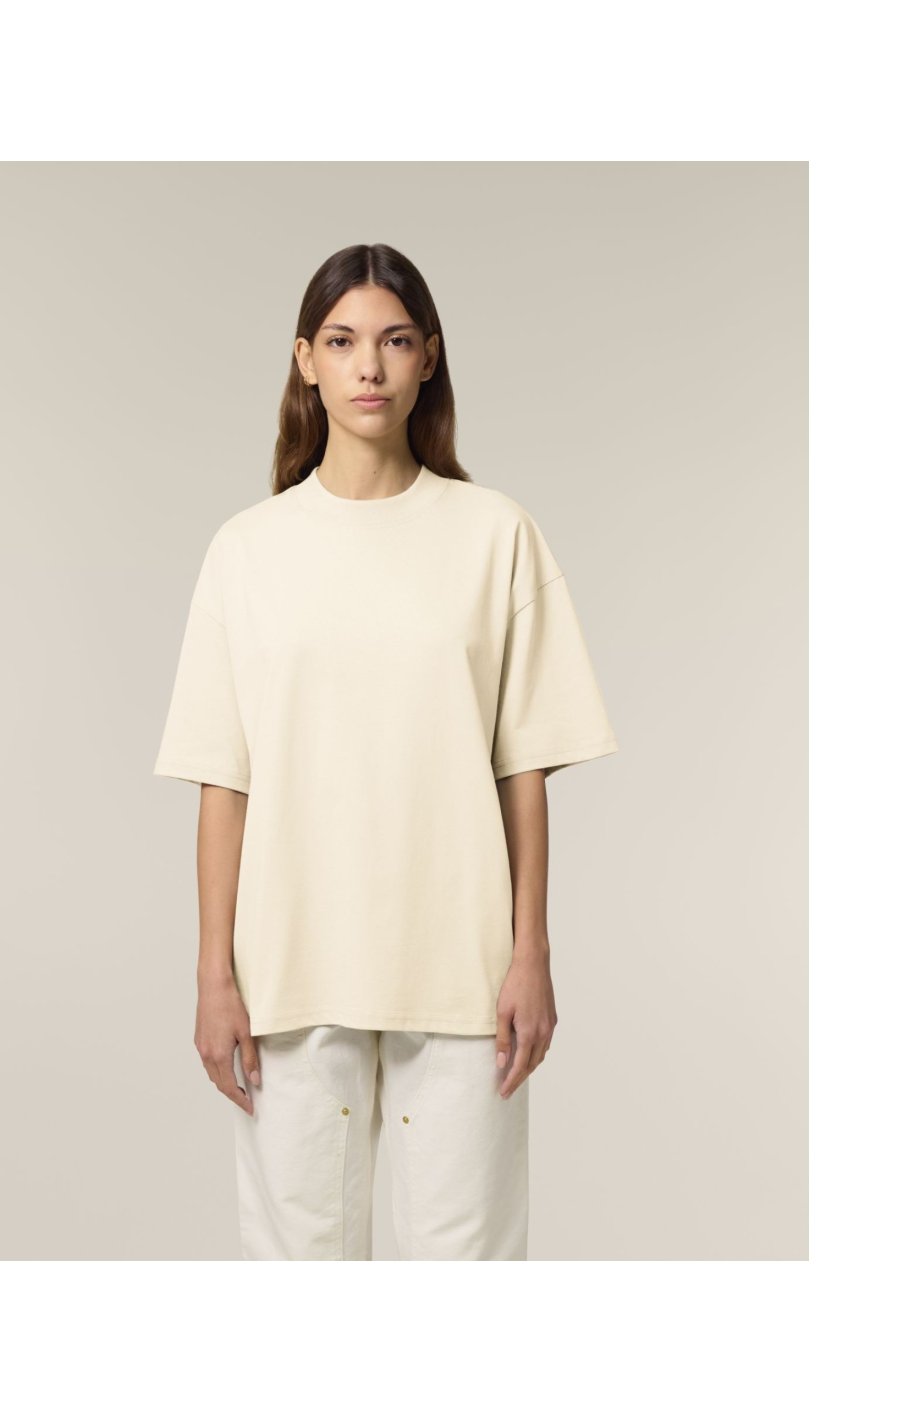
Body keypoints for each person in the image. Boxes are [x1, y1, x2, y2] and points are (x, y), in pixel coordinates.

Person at [153, 243, 618, 1261]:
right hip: (289, 970)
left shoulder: (495, 536)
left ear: (428, 358)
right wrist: (212, 974)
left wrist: (530, 953)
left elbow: (522, 770)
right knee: (299, 1272)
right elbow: (223, 781)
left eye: (395, 341)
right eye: (342, 341)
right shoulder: (246, 551)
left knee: (467, 1269)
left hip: (462, 970)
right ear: (305, 361)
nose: (368, 366)